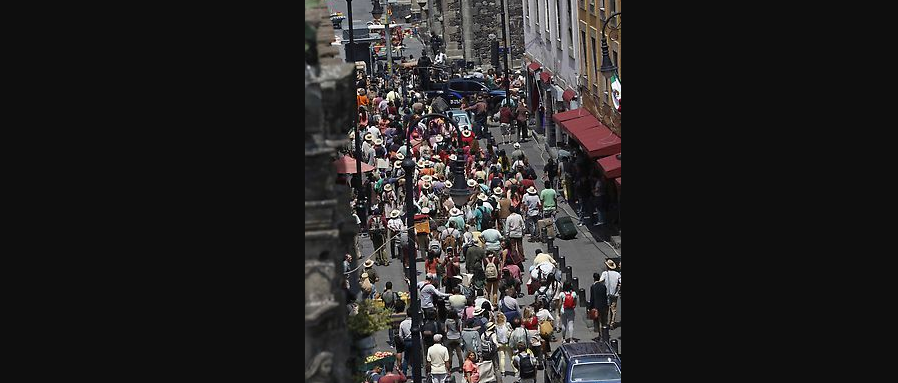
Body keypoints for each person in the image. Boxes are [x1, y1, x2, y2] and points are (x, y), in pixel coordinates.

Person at [600, 258, 622, 326]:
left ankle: (605, 322)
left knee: (606, 308)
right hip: (614, 294)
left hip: (606, 294)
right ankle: (612, 322)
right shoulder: (617, 274)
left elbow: (601, 281)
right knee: (613, 309)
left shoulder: (605, 273)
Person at [494, 312, 514, 377]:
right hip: (507, 343)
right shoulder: (507, 324)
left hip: (500, 343)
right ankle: (515, 370)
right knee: (511, 357)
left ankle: (503, 371)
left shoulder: (496, 326)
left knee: (502, 357)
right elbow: (511, 330)